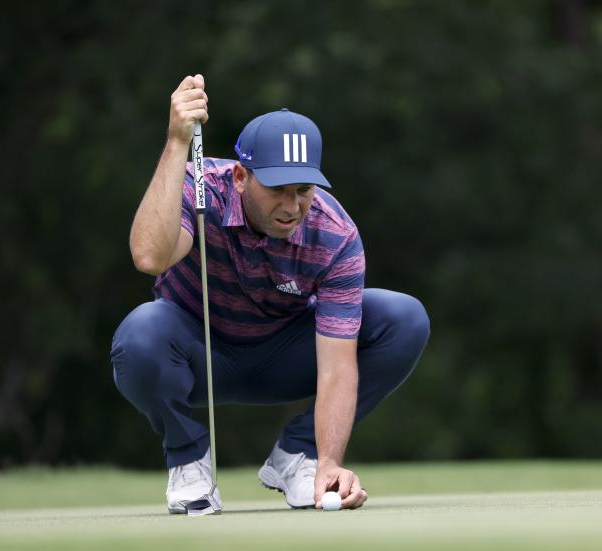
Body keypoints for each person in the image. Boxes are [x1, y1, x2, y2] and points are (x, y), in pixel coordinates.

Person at [110, 75, 430, 514]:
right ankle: (188, 460)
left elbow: (337, 368)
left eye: (303, 190)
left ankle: (298, 456)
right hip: (199, 353)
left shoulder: (334, 234)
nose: (291, 206)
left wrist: (330, 462)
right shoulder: (200, 188)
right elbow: (149, 256)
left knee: (404, 318)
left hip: (285, 356)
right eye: (277, 190)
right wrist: (176, 144)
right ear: (241, 177)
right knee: (139, 333)